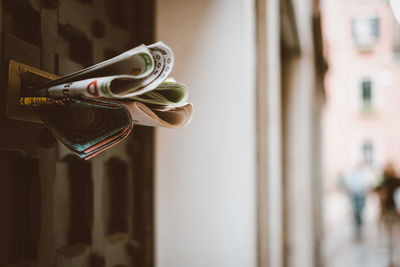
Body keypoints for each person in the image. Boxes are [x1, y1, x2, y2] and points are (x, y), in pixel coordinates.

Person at [341, 163, 371, 238]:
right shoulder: (356, 176)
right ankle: (358, 227)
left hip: (359, 195)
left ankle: (359, 227)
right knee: (357, 212)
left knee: (359, 211)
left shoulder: (361, 176)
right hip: (356, 196)